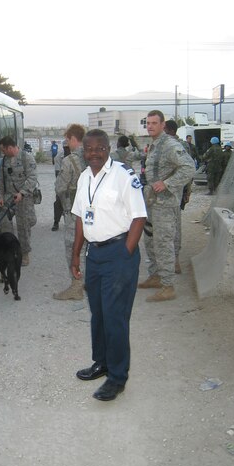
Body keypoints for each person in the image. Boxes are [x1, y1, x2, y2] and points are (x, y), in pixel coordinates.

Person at [70, 129, 147, 401]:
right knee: (99, 314)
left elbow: (139, 218)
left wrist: (125, 254)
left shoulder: (124, 176)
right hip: (95, 254)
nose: (93, 153)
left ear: (108, 148)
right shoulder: (84, 177)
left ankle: (117, 377)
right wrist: (76, 254)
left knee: (115, 318)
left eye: (99, 148)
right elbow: (81, 217)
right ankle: (101, 362)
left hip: (118, 252)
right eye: (88, 149)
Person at [138, 111, 196, 302]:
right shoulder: (155, 146)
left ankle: (168, 286)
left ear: (163, 125)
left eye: (155, 123)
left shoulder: (170, 145)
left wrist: (168, 183)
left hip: (165, 204)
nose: (150, 126)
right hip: (152, 203)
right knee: (150, 241)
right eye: (148, 123)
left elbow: (189, 168)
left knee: (163, 244)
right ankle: (156, 276)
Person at [53, 124, 86, 300]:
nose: (67, 143)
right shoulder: (94, 157)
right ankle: (88, 281)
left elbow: (60, 187)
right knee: (90, 247)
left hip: (74, 214)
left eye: (67, 139)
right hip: (95, 213)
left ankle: (76, 286)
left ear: (73, 138)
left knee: (73, 248)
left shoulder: (69, 161)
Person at [0, 136, 38, 266]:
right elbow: (0, 181)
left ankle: (24, 254)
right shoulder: (4, 161)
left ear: (10, 148)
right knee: (4, 223)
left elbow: (32, 178)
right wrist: (0, 197)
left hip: (23, 198)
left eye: (3, 150)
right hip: (9, 198)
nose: (3, 153)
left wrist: (22, 193)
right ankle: (10, 250)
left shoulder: (27, 158)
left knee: (23, 226)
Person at [163, 120, 194, 275]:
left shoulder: (173, 145)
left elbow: (189, 169)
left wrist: (187, 190)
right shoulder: (183, 145)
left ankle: (174, 260)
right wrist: (188, 190)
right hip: (171, 191)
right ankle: (171, 259)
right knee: (171, 225)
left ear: (168, 130)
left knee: (172, 226)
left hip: (172, 191)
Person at [51, 140, 70, 231]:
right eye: (65, 148)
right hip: (61, 182)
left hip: (74, 183)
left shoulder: (77, 157)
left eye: (68, 148)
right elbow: (57, 173)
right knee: (58, 202)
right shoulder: (59, 157)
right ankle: (56, 222)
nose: (67, 150)